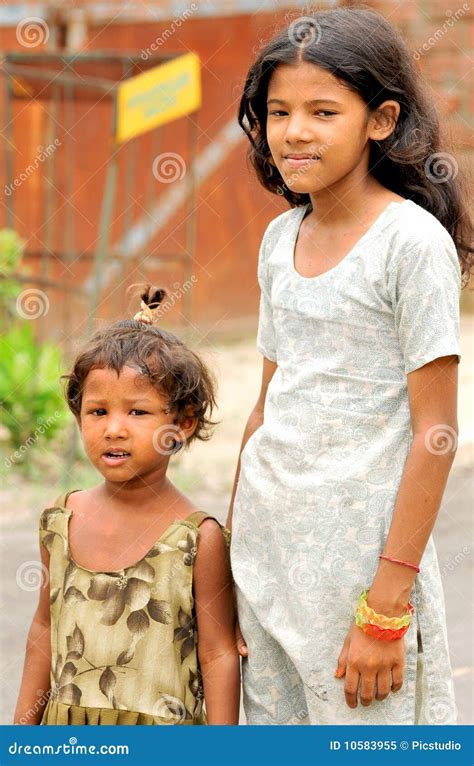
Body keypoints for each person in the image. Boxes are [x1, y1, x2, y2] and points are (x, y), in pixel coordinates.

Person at [227, 7, 473, 725]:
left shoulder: (408, 243)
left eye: (322, 110)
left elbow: (437, 433)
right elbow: (266, 407)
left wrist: (386, 609)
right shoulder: (280, 239)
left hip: (363, 577)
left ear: (380, 119)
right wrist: (232, 570)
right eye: (278, 111)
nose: (294, 131)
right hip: (269, 566)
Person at [15, 285, 240, 725]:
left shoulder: (198, 538)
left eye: (138, 413)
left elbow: (218, 655)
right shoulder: (59, 522)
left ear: (183, 424)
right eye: (98, 412)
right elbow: (43, 629)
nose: (114, 429)